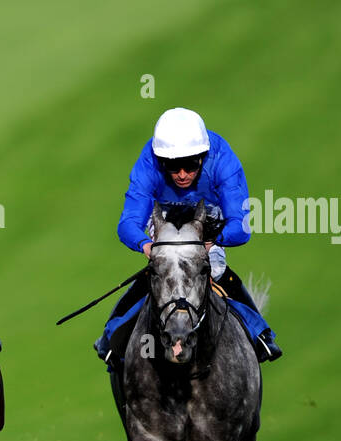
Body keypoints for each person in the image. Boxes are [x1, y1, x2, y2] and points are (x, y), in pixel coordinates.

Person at [97, 107, 281, 367]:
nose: (182, 174)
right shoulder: (148, 162)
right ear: (161, 161)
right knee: (162, 268)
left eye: (191, 165)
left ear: (203, 157)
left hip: (206, 214)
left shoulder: (223, 161)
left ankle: (260, 333)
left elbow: (241, 227)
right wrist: (146, 245)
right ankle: (112, 338)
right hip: (163, 214)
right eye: (173, 166)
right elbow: (128, 223)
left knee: (214, 268)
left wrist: (215, 241)